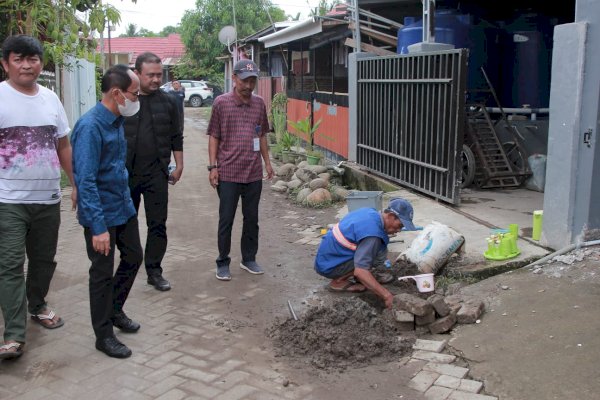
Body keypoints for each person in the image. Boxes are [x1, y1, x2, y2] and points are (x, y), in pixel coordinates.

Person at [0, 34, 75, 360]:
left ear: (41, 63)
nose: (27, 65)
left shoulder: (50, 99)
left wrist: (77, 185)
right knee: (10, 265)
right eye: (19, 59)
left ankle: (38, 304)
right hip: (8, 200)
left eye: (33, 59)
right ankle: (14, 335)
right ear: (6, 64)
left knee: (43, 261)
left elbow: (63, 145)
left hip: (48, 198)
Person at [71, 64, 144, 359]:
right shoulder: (90, 127)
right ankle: (103, 335)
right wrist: (98, 227)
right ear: (117, 93)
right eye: (134, 94)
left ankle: (114, 309)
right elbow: (86, 181)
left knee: (134, 256)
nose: (137, 100)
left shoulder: (115, 122)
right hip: (100, 213)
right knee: (101, 273)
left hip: (122, 206)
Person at [207, 59, 274, 281]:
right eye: (244, 81)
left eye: (252, 81)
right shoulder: (221, 103)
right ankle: (222, 261)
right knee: (226, 219)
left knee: (251, 218)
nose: (248, 86)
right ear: (234, 79)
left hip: (253, 172)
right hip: (228, 172)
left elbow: (262, 134)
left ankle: (248, 258)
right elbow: (214, 136)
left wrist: (267, 162)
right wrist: (213, 166)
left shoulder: (259, 103)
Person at [123, 52, 183, 291]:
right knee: (126, 223)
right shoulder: (125, 100)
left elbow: (176, 136)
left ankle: (154, 271)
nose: (156, 80)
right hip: (126, 175)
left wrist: (179, 165)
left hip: (157, 173)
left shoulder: (169, 102)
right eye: (151, 75)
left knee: (157, 224)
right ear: (137, 73)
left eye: (159, 75)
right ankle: (127, 266)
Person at [314, 198, 418, 309]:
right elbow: (360, 271)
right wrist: (387, 296)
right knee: (366, 261)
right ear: (391, 216)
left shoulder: (371, 213)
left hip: (328, 256)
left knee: (375, 248)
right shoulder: (373, 234)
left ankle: (364, 278)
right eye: (400, 225)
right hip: (329, 265)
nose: (399, 230)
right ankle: (338, 282)